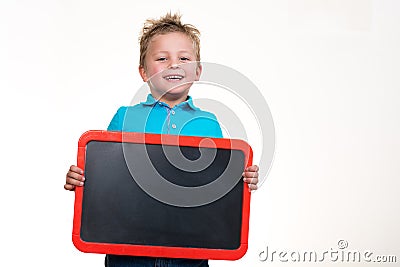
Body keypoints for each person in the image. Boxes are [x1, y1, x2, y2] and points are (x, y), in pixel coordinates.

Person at [65, 12, 259, 267]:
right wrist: (81, 178)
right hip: (128, 253)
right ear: (144, 72)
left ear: (197, 71)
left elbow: (214, 185)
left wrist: (241, 179)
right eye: (162, 58)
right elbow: (106, 178)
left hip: (189, 254)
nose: (174, 64)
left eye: (184, 58)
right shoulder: (126, 117)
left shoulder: (208, 123)